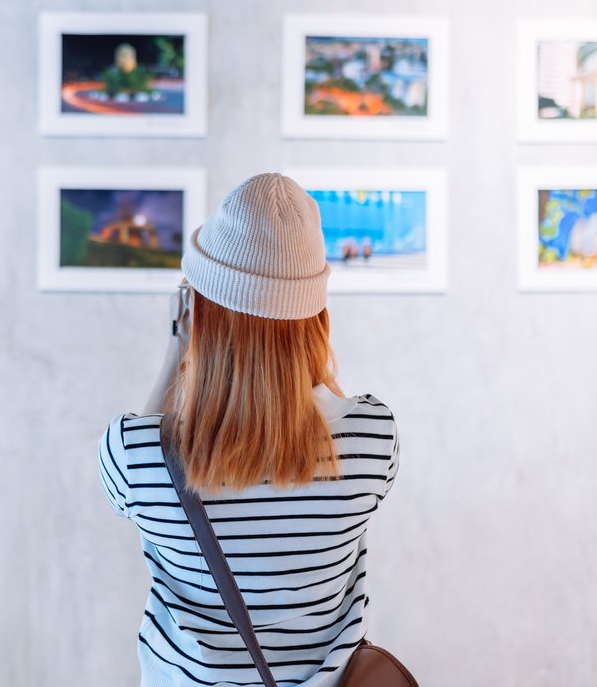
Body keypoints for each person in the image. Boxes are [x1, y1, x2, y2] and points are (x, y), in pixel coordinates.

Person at [99, 173, 399, 687]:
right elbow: (326, 414)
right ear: (317, 314)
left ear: (197, 312)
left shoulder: (136, 454)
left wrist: (178, 347)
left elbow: (149, 438)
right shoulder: (373, 438)